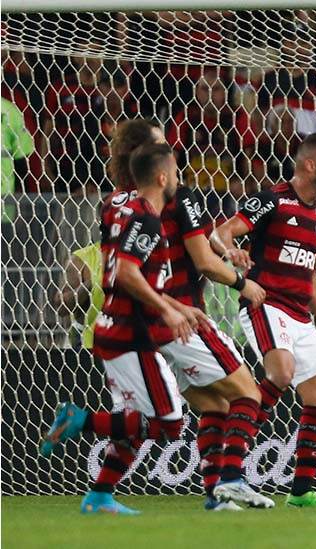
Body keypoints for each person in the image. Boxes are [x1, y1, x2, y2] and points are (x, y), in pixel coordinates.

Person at [39, 143, 200, 515]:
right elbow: (127, 274)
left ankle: (99, 495)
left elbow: (130, 275)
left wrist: (179, 308)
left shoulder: (121, 208)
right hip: (133, 335)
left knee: (135, 424)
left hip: (112, 328)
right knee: (170, 424)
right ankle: (78, 419)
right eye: (175, 172)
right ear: (162, 177)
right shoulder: (147, 219)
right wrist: (168, 311)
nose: (178, 179)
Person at [211, 133, 316, 509]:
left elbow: (310, 276)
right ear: (309, 164)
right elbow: (221, 231)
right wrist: (230, 251)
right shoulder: (270, 201)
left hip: (299, 313)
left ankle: (302, 492)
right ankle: (230, 472)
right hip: (264, 301)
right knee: (281, 372)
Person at [154, 148, 275, 511]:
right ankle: (234, 481)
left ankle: (215, 496)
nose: (175, 160)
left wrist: (227, 251)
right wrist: (242, 283)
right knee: (248, 394)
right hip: (185, 315)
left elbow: (207, 244)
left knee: (213, 405)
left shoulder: (127, 204)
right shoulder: (181, 197)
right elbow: (204, 261)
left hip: (153, 316)